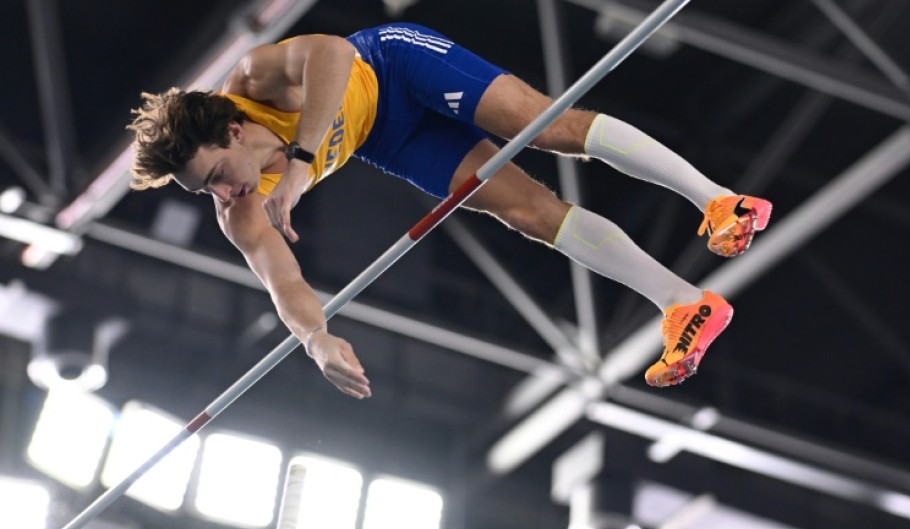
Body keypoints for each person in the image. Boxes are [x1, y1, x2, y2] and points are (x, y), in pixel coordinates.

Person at [127, 23, 772, 396]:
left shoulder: (253, 79)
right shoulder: (241, 214)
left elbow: (334, 53)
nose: (222, 194)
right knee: (526, 213)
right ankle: (683, 303)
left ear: (233, 133)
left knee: (549, 127)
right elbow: (284, 282)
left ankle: (718, 200)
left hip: (392, 60)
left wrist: (299, 158)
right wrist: (315, 339)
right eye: (203, 192)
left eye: (216, 176)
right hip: (387, 138)